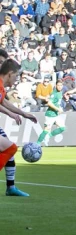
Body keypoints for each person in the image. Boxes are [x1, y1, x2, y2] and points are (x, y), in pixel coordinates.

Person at [0, 57, 37, 197]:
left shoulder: (1, 87)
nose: (16, 79)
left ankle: (11, 187)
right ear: (9, 73)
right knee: (11, 148)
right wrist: (11, 114)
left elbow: (3, 102)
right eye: (15, 76)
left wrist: (23, 113)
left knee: (9, 150)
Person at [37, 79, 66, 147]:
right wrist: (58, 109)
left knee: (62, 128)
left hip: (55, 115)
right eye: (58, 85)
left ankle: (48, 136)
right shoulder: (54, 93)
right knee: (46, 130)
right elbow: (49, 103)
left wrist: (59, 107)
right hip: (50, 115)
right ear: (56, 86)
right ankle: (37, 144)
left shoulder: (60, 93)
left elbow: (56, 103)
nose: (60, 87)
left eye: (61, 85)